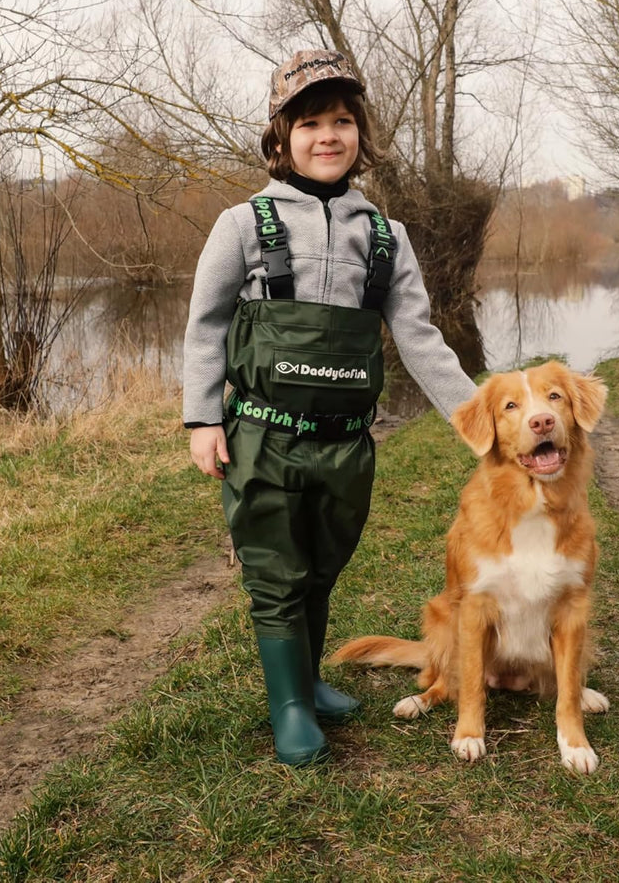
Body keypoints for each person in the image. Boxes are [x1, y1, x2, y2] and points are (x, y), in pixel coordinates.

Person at [183, 48, 476, 766]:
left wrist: (479, 419)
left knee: (322, 565)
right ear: (281, 136)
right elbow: (206, 325)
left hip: (346, 444)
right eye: (309, 123)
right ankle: (288, 708)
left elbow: (420, 337)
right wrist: (202, 417)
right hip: (264, 437)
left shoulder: (386, 237)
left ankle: (308, 681)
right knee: (276, 573)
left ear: (360, 134)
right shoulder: (242, 224)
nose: (327, 136)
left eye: (341, 121)